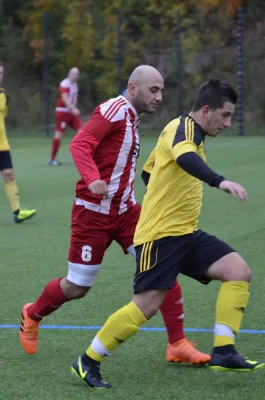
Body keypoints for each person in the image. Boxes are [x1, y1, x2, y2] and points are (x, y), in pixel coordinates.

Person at [70, 78, 265, 389]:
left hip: (186, 234)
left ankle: (225, 351)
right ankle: (89, 359)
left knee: (238, 271)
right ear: (206, 110)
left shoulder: (188, 133)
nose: (228, 122)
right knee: (145, 306)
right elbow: (185, 158)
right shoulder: (183, 129)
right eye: (225, 115)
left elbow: (149, 170)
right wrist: (220, 182)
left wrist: (165, 192)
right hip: (160, 237)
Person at [19, 65, 209, 367]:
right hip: (92, 215)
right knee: (77, 287)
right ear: (133, 88)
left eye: (161, 90)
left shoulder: (133, 119)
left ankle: (177, 343)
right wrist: (93, 178)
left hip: (126, 213)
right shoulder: (114, 110)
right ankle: (32, 313)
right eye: (153, 89)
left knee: (163, 263)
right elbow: (80, 143)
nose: (159, 96)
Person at [0, 62, 36, 223]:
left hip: (2, 144)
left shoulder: (3, 95)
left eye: (1, 73)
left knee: (9, 175)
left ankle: (17, 212)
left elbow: (4, 118)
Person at [49, 67, 82, 166]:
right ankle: (52, 158)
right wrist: (73, 109)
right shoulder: (65, 83)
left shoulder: (75, 84)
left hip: (71, 113)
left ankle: (81, 156)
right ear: (69, 73)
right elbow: (64, 98)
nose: (74, 75)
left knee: (82, 131)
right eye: (73, 73)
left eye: (76, 74)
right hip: (63, 112)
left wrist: (72, 109)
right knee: (59, 134)